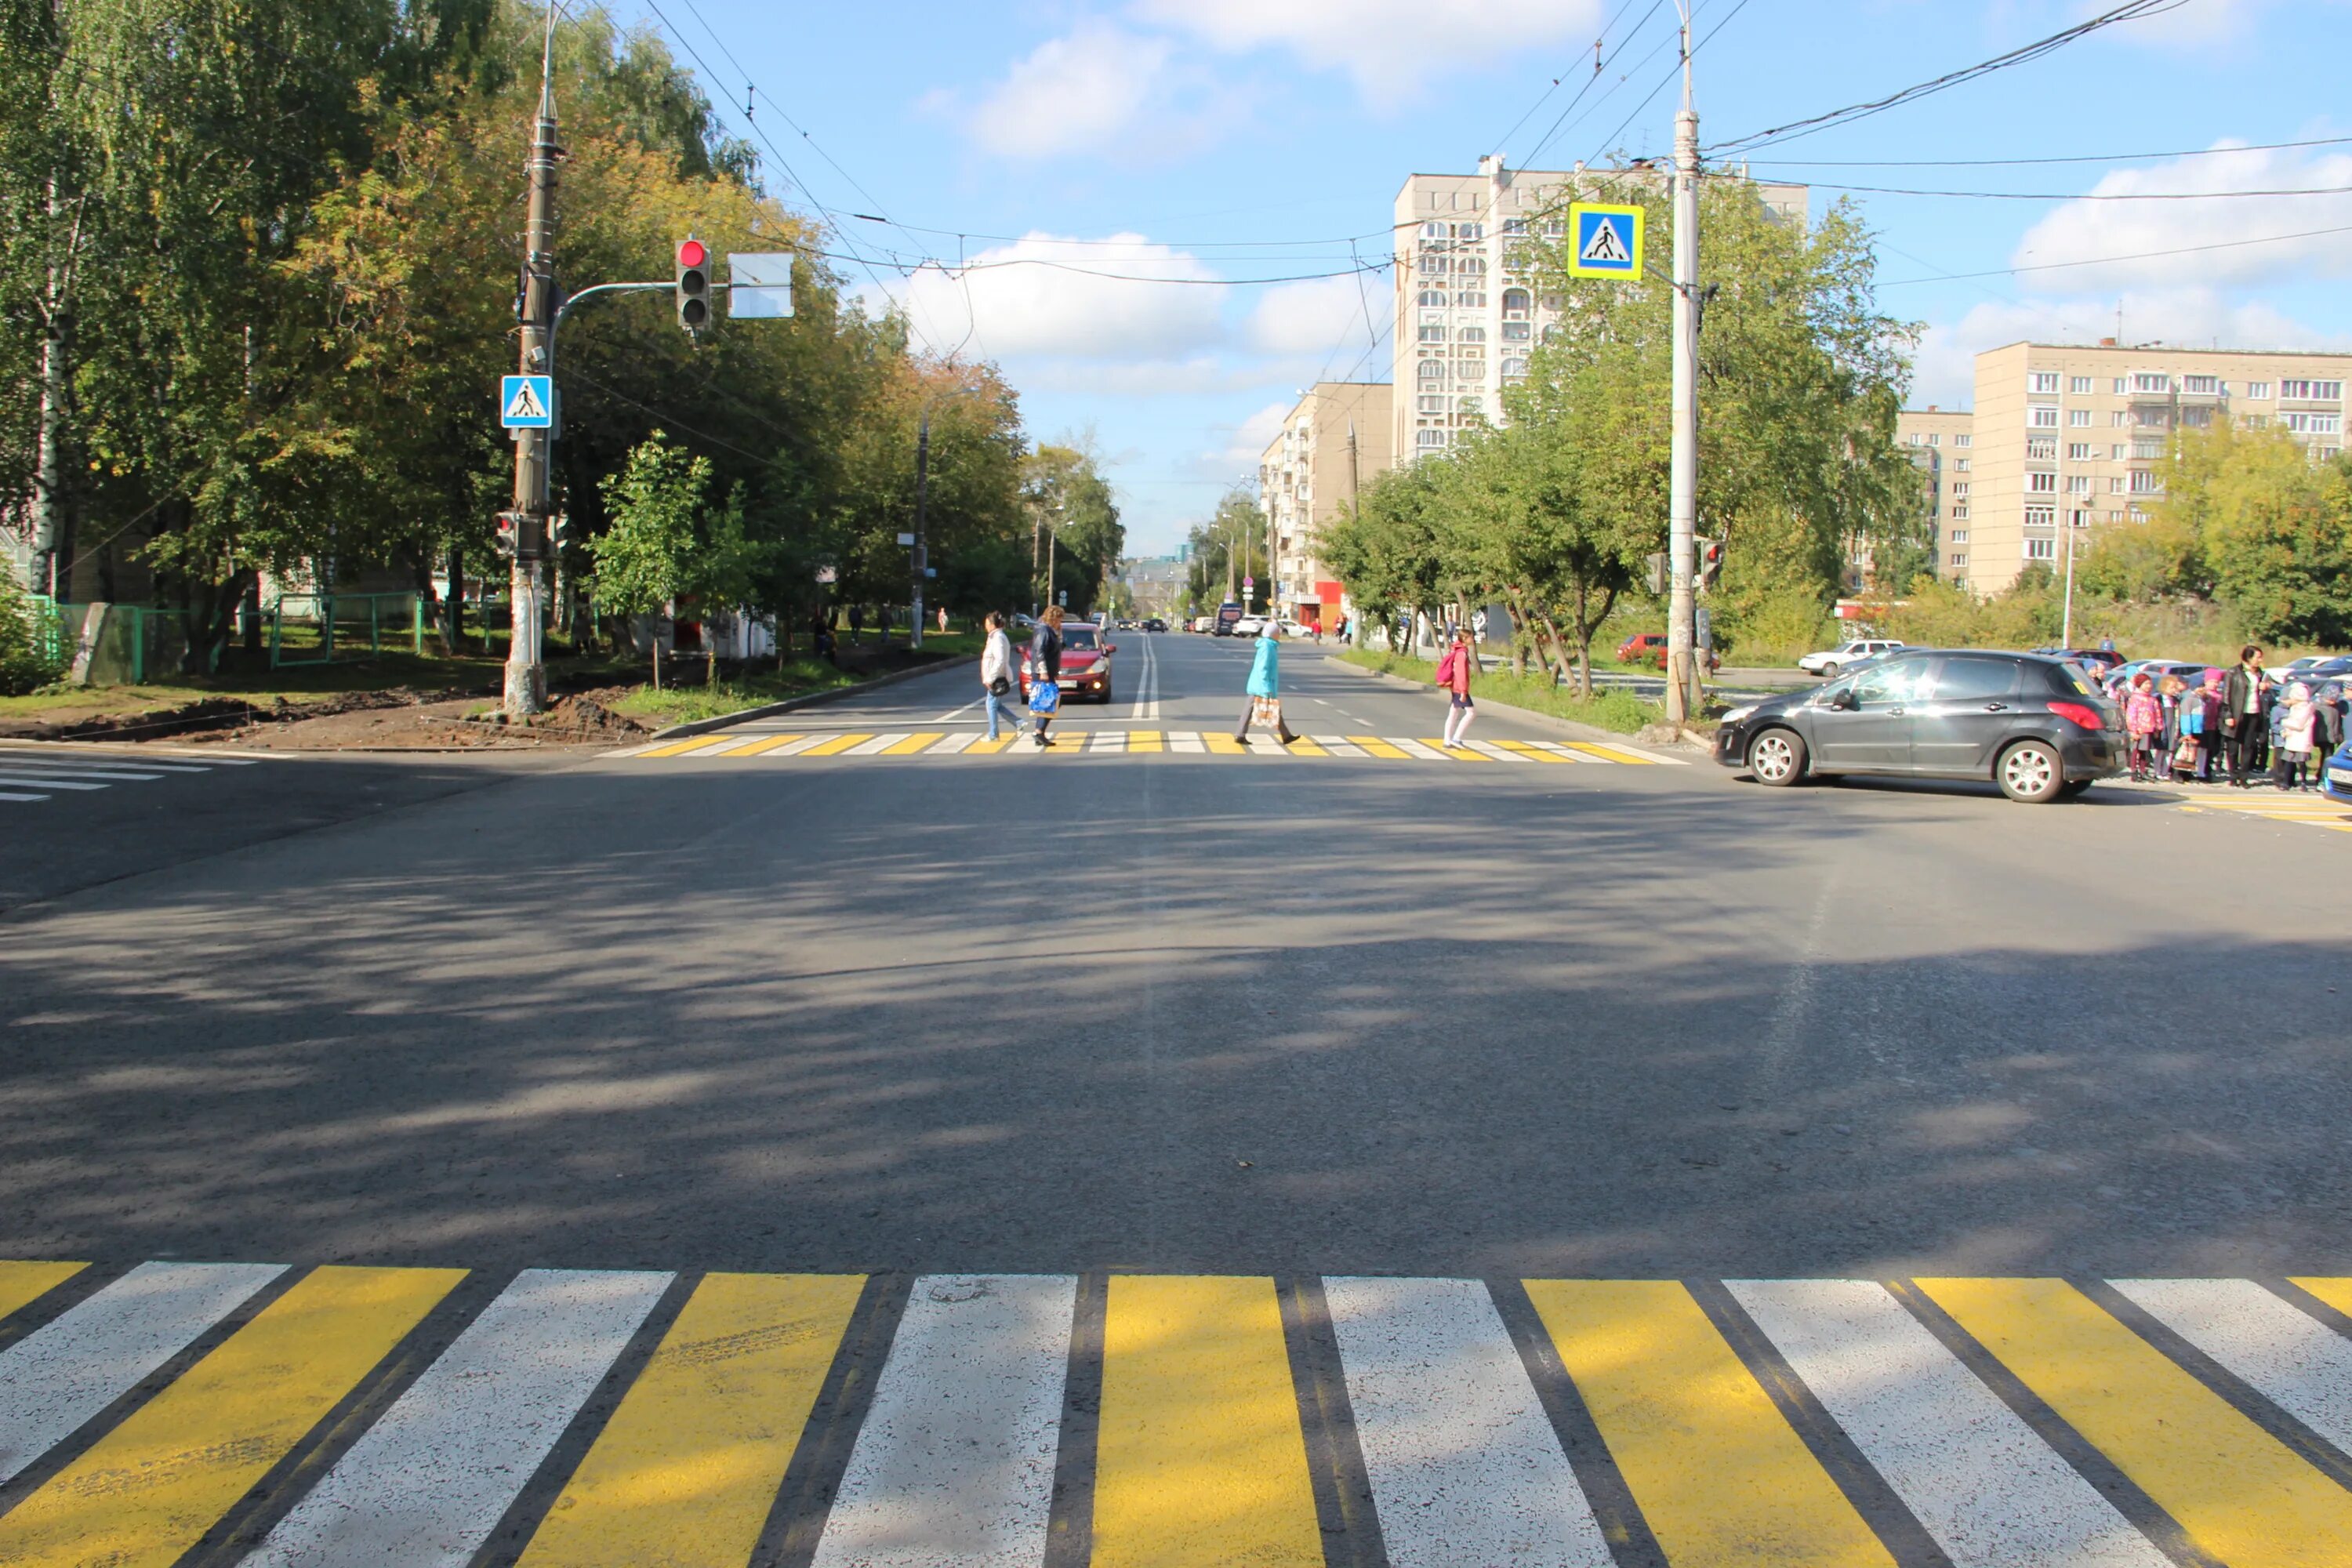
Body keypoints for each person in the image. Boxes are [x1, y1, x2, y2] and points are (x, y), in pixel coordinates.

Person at [1236, 622, 1298, 746]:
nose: (1279, 634)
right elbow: (1263, 667)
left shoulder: (1269, 645)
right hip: (1262, 684)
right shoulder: (1267, 647)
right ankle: (1240, 735)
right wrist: (1265, 686)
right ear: (1273, 633)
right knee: (1270, 709)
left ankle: (1286, 736)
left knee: (1265, 709)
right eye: (1277, 632)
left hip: (1260, 683)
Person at [979, 612, 1029, 743]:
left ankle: (994, 734)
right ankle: (1018, 722)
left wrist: (991, 678)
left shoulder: (998, 638)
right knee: (996, 705)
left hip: (997, 678)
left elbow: (1000, 660)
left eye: (986, 623)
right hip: (996, 676)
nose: (985, 625)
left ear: (991, 624)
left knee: (991, 704)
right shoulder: (995, 637)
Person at [2224, 644, 2267, 786]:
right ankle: (2232, 775)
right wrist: (2228, 714)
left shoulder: (2260, 673)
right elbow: (2227, 695)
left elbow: (2264, 692)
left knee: (2249, 745)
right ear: (2248, 658)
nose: (2260, 660)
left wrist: (2265, 687)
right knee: (2233, 746)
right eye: (2257, 657)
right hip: (2237, 713)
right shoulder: (2233, 672)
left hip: (2253, 713)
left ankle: (2244, 776)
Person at [1026, 605, 1065, 748]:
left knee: (1049, 702)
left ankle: (1039, 732)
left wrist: (1060, 638)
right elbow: (1039, 651)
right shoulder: (1043, 630)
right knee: (1050, 701)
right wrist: (1043, 671)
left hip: (1047, 672)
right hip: (1042, 672)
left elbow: (1052, 648)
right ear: (1053, 618)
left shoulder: (1049, 630)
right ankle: (1039, 732)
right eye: (1059, 619)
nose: (1060, 622)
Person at [2271, 681, 2318, 790]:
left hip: (2301, 739)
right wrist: (2286, 731)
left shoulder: (2306, 708)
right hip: (2292, 738)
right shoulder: (2295, 708)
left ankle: (2303, 782)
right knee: (2289, 760)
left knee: (2301, 762)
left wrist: (2284, 723)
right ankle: (2286, 782)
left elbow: (2299, 724)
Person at [1436, 626, 1477, 749]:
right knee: (1471, 713)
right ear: (1465, 638)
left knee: (1453, 713)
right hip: (1460, 688)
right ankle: (1457, 738)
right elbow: (1461, 674)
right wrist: (1464, 691)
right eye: (1471, 637)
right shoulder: (1462, 654)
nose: (1473, 639)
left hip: (1455, 687)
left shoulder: (1457, 651)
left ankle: (1447, 741)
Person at [2124, 673, 2163, 783]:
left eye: (2150, 684)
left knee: (2144, 751)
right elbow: (2131, 715)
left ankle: (2143, 771)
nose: (2148, 686)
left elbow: (2158, 713)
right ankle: (2134, 771)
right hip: (2138, 730)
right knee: (2135, 750)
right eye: (2146, 684)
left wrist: (2158, 727)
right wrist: (2133, 729)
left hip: (2149, 729)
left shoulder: (2152, 699)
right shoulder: (2135, 698)